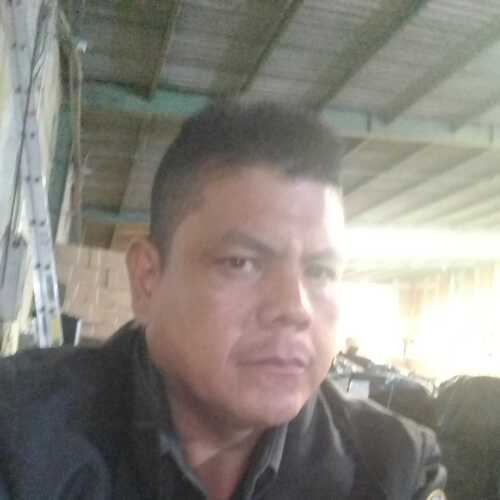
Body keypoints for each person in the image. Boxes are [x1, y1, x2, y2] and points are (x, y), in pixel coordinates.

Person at [0, 102, 446, 499]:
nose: (295, 309)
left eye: (321, 272)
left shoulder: (393, 468)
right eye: (241, 263)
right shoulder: (19, 437)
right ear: (147, 280)